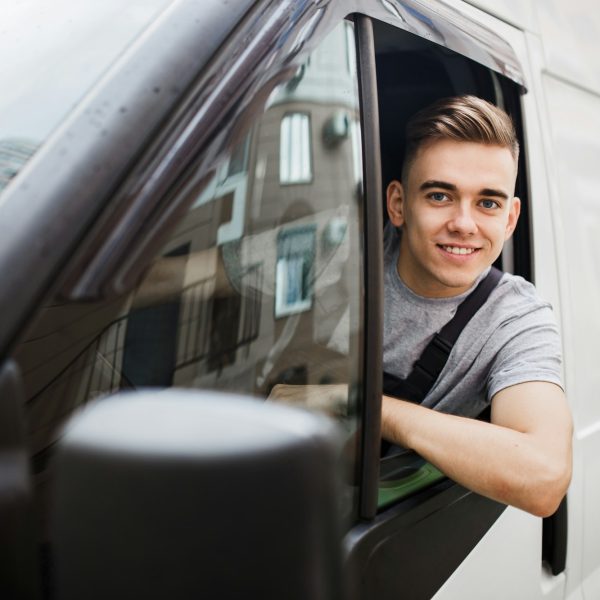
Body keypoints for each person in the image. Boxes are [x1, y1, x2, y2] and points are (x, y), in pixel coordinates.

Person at [381, 95, 572, 517]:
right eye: (439, 196)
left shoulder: (516, 318)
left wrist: (367, 408)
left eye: (488, 203)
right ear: (398, 204)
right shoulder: (346, 250)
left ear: (509, 219)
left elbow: (544, 478)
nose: (464, 224)